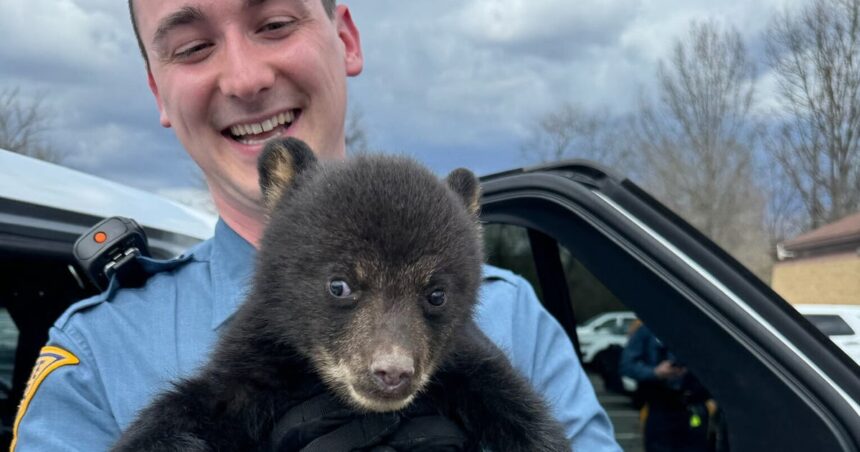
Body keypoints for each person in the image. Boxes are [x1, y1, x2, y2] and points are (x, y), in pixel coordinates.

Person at [11, 1, 621, 450]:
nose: (246, 79)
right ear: (156, 89)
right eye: (193, 47)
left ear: (346, 38)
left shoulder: (515, 317)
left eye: (275, 24)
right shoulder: (97, 353)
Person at [620, 324, 711, 452]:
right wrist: (655, 372)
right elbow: (626, 366)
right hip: (660, 408)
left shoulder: (702, 329)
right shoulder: (648, 330)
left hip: (693, 406)